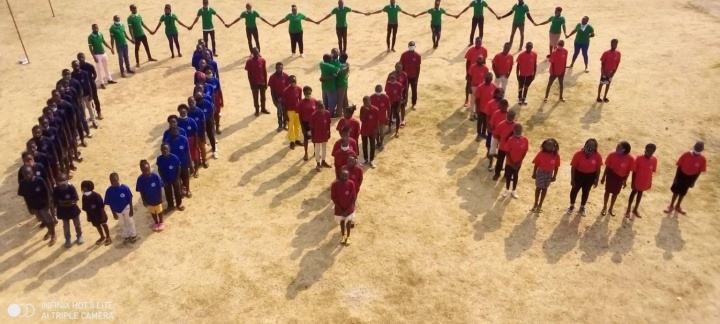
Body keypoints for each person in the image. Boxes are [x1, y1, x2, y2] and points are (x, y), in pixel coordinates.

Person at [665, 141, 707, 215]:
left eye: (700, 148)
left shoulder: (702, 159)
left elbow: (699, 171)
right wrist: (676, 178)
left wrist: (694, 181)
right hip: (681, 175)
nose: (698, 149)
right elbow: (679, 166)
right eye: (697, 147)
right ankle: (671, 205)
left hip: (691, 177)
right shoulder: (686, 154)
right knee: (676, 191)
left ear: (702, 149)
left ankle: (678, 206)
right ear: (694, 147)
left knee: (683, 192)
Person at [18, 166, 56, 246]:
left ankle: (53, 235)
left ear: (32, 172)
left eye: (29, 173)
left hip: (43, 204)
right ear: (23, 175)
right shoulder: (22, 184)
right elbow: (25, 197)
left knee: (49, 219)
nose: (28, 175)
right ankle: (49, 230)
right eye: (25, 174)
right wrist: (29, 208)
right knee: (42, 220)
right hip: (34, 206)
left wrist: (48, 203)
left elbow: (47, 192)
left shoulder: (39, 180)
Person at [568, 138, 603, 216]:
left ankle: (582, 207)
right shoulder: (578, 154)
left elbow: (598, 168)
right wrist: (572, 179)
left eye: (592, 146)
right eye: (589, 145)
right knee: (574, 190)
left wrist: (597, 179)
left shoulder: (597, 156)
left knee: (586, 191)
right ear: (585, 144)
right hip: (579, 174)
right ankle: (571, 205)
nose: (590, 147)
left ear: (595, 147)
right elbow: (573, 167)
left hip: (590, 176)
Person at [600, 141, 634, 216]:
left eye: (619, 147)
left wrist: (625, 181)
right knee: (607, 191)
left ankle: (611, 208)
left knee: (615, 193)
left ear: (624, 150)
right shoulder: (612, 155)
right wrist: (603, 177)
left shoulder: (630, 159)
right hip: (611, 175)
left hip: (620, 178)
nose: (617, 148)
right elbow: (607, 167)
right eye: (617, 146)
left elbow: (628, 170)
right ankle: (604, 207)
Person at [626, 143, 657, 219]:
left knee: (640, 194)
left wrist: (649, 182)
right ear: (645, 149)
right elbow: (634, 171)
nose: (649, 152)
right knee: (633, 193)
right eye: (648, 150)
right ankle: (628, 209)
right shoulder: (639, 158)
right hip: (637, 180)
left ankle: (635, 209)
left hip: (645, 181)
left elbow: (651, 172)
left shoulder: (654, 160)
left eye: (651, 151)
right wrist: (633, 182)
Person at [53, 173, 84, 248]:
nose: (62, 182)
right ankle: (67, 239)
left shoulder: (71, 188)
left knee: (77, 224)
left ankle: (79, 236)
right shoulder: (56, 190)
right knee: (66, 227)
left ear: (67, 180)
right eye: (60, 181)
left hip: (73, 210)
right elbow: (56, 202)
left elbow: (75, 199)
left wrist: (63, 202)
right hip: (63, 212)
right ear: (57, 182)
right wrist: (67, 203)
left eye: (64, 180)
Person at [105, 172, 137, 243]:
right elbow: (109, 202)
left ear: (118, 179)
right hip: (117, 210)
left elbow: (130, 198)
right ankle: (126, 235)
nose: (114, 182)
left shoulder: (124, 188)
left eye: (115, 180)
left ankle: (133, 235)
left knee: (130, 221)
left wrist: (131, 209)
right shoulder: (109, 191)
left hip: (126, 207)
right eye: (112, 181)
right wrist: (113, 213)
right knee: (122, 223)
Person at [531, 138, 560, 214]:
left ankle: (540, 204)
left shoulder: (556, 156)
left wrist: (554, 176)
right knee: (538, 188)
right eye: (547, 144)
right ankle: (535, 203)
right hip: (540, 173)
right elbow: (536, 164)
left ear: (555, 146)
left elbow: (556, 167)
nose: (549, 146)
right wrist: (534, 173)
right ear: (544, 145)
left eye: (551, 145)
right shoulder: (541, 153)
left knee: (544, 189)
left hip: (549, 174)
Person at [136, 160, 165, 232]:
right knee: (152, 211)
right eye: (144, 170)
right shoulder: (140, 179)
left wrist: (160, 197)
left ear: (149, 168)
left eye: (148, 170)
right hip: (149, 200)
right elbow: (141, 191)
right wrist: (143, 200)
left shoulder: (155, 177)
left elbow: (159, 187)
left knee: (159, 210)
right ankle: (156, 222)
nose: (147, 172)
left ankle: (161, 222)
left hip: (157, 198)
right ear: (141, 170)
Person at [80, 180, 111, 246]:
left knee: (104, 224)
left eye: (83, 187)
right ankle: (102, 236)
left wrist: (103, 216)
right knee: (97, 225)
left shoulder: (96, 195)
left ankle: (108, 237)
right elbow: (86, 208)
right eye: (82, 187)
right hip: (92, 214)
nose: (82, 189)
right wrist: (88, 216)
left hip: (100, 213)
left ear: (89, 188)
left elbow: (101, 206)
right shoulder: (84, 196)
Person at [502, 124, 528, 199]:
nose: (519, 132)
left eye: (520, 130)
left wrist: (519, 161)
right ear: (514, 130)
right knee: (508, 176)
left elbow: (524, 152)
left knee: (515, 175)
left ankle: (514, 190)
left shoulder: (525, 140)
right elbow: (507, 152)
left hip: (518, 163)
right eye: (517, 130)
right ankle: (507, 189)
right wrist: (511, 162)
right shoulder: (510, 140)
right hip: (509, 163)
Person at [331, 169, 357, 246]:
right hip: (340, 208)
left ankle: (348, 236)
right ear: (339, 175)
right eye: (342, 175)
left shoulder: (351, 183)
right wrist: (341, 210)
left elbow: (353, 197)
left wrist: (348, 209)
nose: (344, 177)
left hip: (349, 208)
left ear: (348, 176)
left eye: (346, 176)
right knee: (342, 222)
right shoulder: (335, 184)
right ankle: (343, 236)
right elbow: (333, 198)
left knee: (348, 222)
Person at [157, 143, 185, 212]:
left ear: (169, 149)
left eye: (166, 149)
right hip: (166, 179)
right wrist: (163, 179)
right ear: (161, 150)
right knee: (168, 193)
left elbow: (179, 168)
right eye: (163, 149)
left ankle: (179, 203)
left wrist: (177, 178)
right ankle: (170, 205)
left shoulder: (174, 158)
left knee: (177, 191)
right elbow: (159, 169)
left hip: (174, 178)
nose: (165, 150)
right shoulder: (159, 159)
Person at [70, 60, 98, 128]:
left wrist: (91, 94)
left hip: (87, 94)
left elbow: (88, 84)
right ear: (72, 67)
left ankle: (94, 121)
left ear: (79, 65)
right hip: (79, 96)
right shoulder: (72, 75)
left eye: (77, 65)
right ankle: (85, 124)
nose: (76, 67)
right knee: (82, 110)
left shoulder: (84, 73)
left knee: (90, 108)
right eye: (74, 66)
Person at [87, 24, 116, 88]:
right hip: (97, 55)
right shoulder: (90, 37)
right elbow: (90, 48)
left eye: (97, 28)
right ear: (92, 29)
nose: (96, 29)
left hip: (103, 53)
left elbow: (104, 42)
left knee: (106, 67)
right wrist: (94, 57)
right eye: (95, 28)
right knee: (99, 69)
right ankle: (101, 83)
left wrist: (110, 48)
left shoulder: (100, 34)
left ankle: (109, 79)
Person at [244, 48, 270, 117]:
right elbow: (249, 74)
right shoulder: (249, 62)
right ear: (252, 53)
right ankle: (257, 110)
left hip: (262, 82)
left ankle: (263, 108)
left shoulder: (262, 60)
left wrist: (266, 82)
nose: (256, 54)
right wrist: (251, 84)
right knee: (255, 97)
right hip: (254, 82)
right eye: (255, 53)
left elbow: (264, 71)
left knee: (263, 97)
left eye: (257, 52)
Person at [492, 108, 516, 180]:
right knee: (499, 161)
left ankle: (507, 175)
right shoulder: (501, 124)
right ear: (506, 115)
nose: (510, 117)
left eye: (512, 116)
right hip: (502, 147)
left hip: (511, 149)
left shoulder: (516, 126)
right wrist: (500, 141)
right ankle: (497, 173)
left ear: (514, 117)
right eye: (509, 116)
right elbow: (496, 134)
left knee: (509, 163)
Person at [77, 53, 103, 118]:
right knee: (87, 101)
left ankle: (99, 112)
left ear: (84, 57)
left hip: (91, 84)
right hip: (83, 86)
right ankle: (92, 115)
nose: (81, 59)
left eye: (82, 57)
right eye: (79, 57)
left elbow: (95, 74)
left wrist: (91, 81)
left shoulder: (89, 66)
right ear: (78, 58)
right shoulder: (78, 67)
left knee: (95, 98)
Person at [464, 37, 488, 108]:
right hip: (472, 71)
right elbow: (468, 62)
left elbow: (484, 61)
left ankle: (477, 101)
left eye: (479, 42)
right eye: (477, 42)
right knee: (468, 85)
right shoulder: (470, 50)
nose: (478, 43)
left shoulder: (484, 50)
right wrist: (467, 73)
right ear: (475, 42)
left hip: (480, 71)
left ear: (481, 42)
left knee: (479, 86)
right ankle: (467, 99)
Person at [186, 98, 208, 170]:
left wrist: (204, 135)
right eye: (189, 102)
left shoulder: (200, 112)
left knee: (202, 148)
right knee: (195, 149)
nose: (191, 103)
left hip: (200, 134)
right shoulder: (187, 112)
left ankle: (204, 160)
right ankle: (198, 162)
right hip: (192, 136)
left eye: (192, 102)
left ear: (195, 102)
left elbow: (204, 124)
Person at [195, 91, 218, 159]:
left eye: (200, 99)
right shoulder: (195, 105)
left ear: (203, 97)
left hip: (208, 121)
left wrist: (211, 124)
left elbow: (211, 114)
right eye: (197, 99)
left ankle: (214, 149)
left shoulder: (208, 103)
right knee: (201, 137)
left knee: (211, 135)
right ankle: (202, 153)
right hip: (199, 124)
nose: (198, 101)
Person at [283, 75, 303, 149]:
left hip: (297, 111)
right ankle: (292, 141)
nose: (293, 83)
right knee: (291, 127)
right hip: (290, 111)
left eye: (294, 82)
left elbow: (300, 100)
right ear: (289, 82)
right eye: (292, 82)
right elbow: (284, 104)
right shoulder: (285, 91)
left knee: (298, 126)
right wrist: (285, 114)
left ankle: (297, 139)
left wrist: (301, 111)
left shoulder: (299, 89)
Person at [310, 101, 332, 171]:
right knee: (317, 148)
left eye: (323, 108)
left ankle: (323, 160)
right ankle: (318, 163)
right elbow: (311, 127)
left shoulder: (327, 113)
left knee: (324, 147)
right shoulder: (313, 115)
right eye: (320, 108)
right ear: (317, 108)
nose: (322, 110)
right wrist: (312, 136)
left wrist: (329, 133)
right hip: (317, 134)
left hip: (324, 133)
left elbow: (328, 124)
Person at [400, 41, 422, 109]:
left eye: (412, 46)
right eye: (410, 46)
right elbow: (401, 66)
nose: (411, 47)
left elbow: (418, 68)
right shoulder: (404, 55)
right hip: (405, 77)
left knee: (414, 90)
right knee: (404, 90)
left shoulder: (418, 56)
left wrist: (417, 78)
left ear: (415, 47)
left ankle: (413, 103)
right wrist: (401, 76)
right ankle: (404, 102)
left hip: (414, 77)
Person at [474, 72, 496, 140]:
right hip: (481, 108)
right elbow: (477, 99)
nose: (488, 79)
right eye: (487, 78)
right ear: (484, 78)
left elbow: (495, 97)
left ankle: (483, 133)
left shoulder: (493, 86)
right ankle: (478, 134)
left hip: (489, 109)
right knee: (480, 122)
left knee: (485, 122)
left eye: (489, 78)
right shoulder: (480, 87)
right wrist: (477, 109)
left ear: (492, 79)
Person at [386, 62, 409, 127]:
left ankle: (402, 120)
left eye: (400, 67)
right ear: (395, 67)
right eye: (397, 67)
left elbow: (406, 86)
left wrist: (406, 97)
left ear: (402, 68)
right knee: (393, 107)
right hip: (393, 94)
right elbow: (387, 85)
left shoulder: (404, 75)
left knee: (402, 107)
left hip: (402, 93)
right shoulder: (391, 74)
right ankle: (394, 118)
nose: (398, 69)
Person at [359, 96, 380, 167]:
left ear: (370, 101)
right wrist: (365, 111)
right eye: (364, 103)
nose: (366, 104)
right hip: (364, 130)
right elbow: (361, 119)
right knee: (364, 145)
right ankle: (365, 158)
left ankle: (372, 160)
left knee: (372, 146)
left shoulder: (375, 110)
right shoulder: (362, 108)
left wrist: (376, 132)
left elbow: (377, 122)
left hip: (372, 131)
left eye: (367, 102)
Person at [467, 55, 490, 120]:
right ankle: (471, 114)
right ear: (476, 60)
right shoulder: (472, 67)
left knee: (479, 102)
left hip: (482, 88)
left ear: (483, 60)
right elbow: (469, 77)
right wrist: (469, 87)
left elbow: (487, 79)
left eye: (481, 59)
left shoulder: (486, 69)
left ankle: (477, 114)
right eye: (478, 59)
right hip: (474, 86)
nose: (479, 60)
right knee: (472, 101)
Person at [299, 86, 317, 161]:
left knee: (314, 138)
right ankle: (306, 153)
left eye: (309, 93)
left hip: (313, 123)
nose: (308, 95)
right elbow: (300, 116)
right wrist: (302, 127)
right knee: (306, 138)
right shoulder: (301, 103)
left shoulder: (314, 101)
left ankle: (315, 151)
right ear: (304, 93)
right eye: (306, 93)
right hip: (305, 123)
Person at [268, 62, 289, 127]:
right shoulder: (272, 77)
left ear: (282, 68)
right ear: (275, 68)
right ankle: (280, 125)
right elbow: (272, 90)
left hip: (285, 98)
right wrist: (274, 100)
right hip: (278, 98)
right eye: (278, 68)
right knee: (279, 112)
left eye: (281, 68)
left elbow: (288, 87)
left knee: (285, 111)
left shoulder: (286, 76)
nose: (279, 69)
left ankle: (285, 124)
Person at [370, 85, 390, 150]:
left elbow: (388, 108)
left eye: (379, 90)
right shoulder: (371, 97)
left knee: (382, 132)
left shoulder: (386, 97)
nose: (378, 91)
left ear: (381, 90)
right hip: (374, 119)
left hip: (382, 119)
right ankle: (378, 142)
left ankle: (381, 143)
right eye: (377, 90)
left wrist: (388, 117)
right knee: (376, 132)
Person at [385, 73, 404, 138]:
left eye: (393, 78)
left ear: (395, 78)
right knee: (389, 115)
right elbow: (386, 92)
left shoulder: (399, 85)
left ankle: (397, 130)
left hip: (396, 102)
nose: (391, 79)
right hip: (389, 102)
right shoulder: (388, 83)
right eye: (390, 78)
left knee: (397, 116)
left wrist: (399, 106)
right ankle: (389, 128)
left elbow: (400, 96)